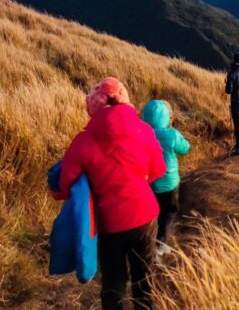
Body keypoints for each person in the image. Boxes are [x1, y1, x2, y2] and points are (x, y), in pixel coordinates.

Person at [56, 78, 166, 310]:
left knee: (114, 282)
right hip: (145, 216)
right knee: (144, 276)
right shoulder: (144, 129)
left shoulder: (82, 142)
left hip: (109, 224)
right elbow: (158, 169)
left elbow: (64, 187)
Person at [140, 99, 191, 249]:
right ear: (167, 117)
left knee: (150, 214)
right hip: (169, 183)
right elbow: (185, 148)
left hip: (149, 183)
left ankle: (148, 239)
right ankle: (162, 242)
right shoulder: (172, 135)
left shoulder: (141, 134)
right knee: (169, 213)